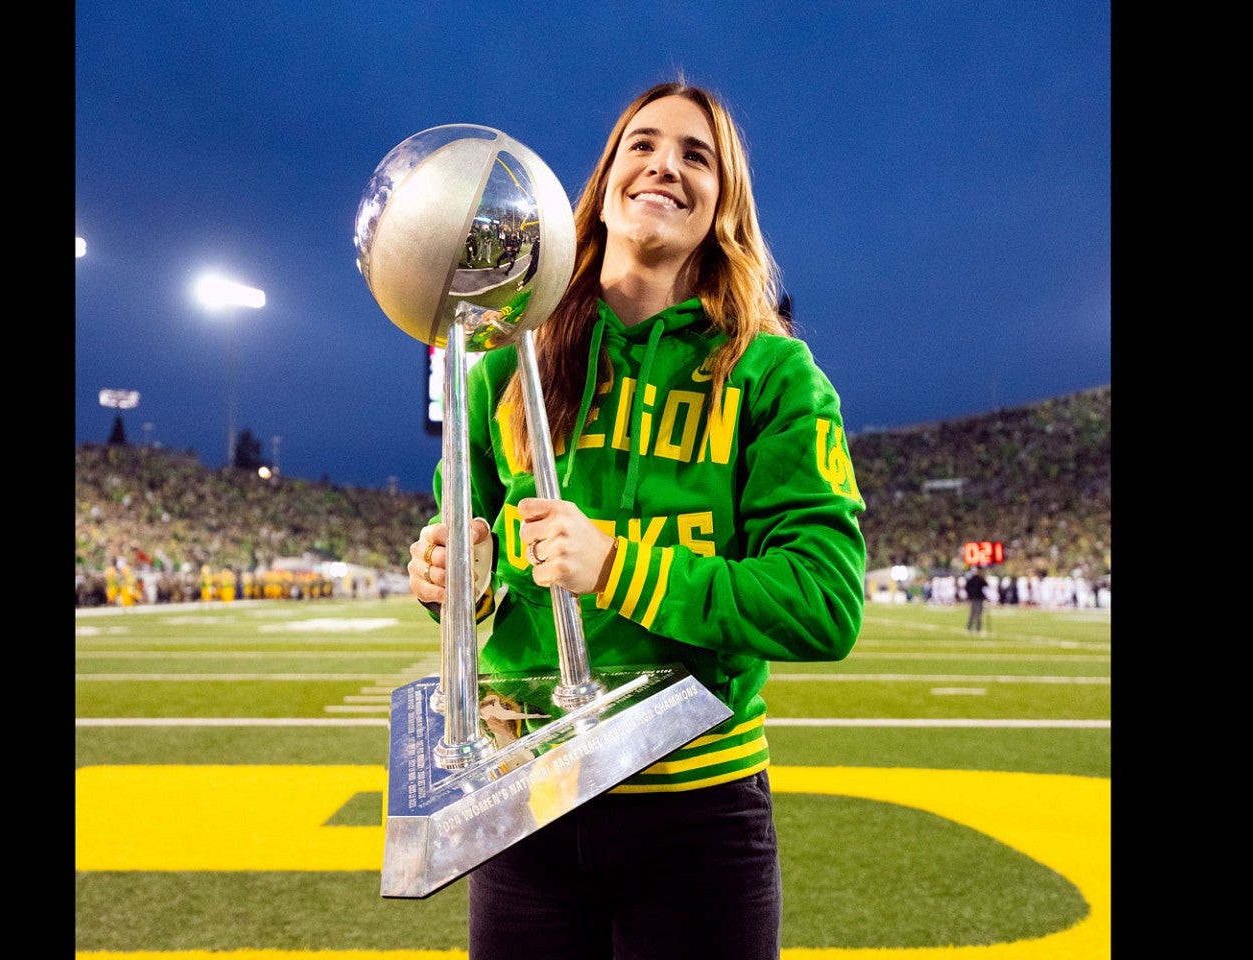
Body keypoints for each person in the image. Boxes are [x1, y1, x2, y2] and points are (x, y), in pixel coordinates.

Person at [407, 78, 866, 960]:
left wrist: (619, 566)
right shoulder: (501, 367)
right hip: (526, 797)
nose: (666, 164)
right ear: (604, 180)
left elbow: (825, 601)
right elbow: (477, 579)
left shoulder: (776, 376)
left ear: (723, 205)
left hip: (696, 813)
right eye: (642, 145)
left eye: (698, 155)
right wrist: (447, 581)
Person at [964, 567, 989, 634]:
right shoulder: (974, 579)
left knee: (978, 615)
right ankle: (971, 628)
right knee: (974, 614)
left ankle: (976, 629)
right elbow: (967, 588)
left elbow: (986, 586)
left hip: (979, 599)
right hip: (975, 599)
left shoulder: (979, 579)